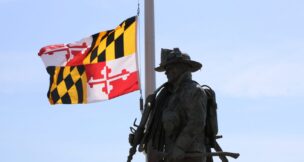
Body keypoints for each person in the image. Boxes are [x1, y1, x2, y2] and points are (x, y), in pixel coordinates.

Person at [142, 48, 208, 162]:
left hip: (189, 156)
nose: (166, 72)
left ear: (182, 67)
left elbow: (196, 122)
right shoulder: (169, 96)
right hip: (172, 156)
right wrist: (143, 137)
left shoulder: (193, 91)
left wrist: (180, 147)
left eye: (170, 67)